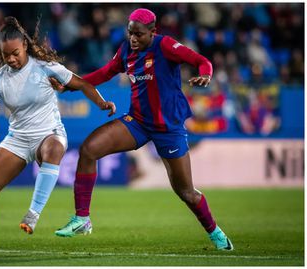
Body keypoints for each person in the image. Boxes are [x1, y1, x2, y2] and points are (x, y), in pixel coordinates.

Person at [53, 8, 233, 251]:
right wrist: (71, 85)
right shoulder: (127, 49)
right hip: (137, 122)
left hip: (168, 128)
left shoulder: (166, 45)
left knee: (186, 192)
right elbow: (105, 73)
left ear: (152, 32)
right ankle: (82, 219)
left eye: (138, 34)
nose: (133, 39)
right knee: (89, 149)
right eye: (130, 33)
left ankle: (215, 232)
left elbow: (202, 61)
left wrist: (205, 75)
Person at [0, 16, 115, 252]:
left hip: (50, 133)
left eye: (15, 52)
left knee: (53, 149)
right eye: (5, 55)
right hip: (18, 140)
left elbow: (83, 83)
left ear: (24, 45)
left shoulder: (46, 68)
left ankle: (33, 214)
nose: (11, 59)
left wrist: (102, 103)